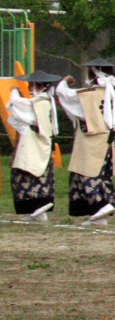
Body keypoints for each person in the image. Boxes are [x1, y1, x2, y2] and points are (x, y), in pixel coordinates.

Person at [54, 57, 115, 224]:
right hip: (106, 139)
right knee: (101, 174)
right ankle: (99, 213)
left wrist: (63, 82)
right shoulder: (113, 94)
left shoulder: (89, 95)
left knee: (88, 172)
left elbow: (65, 95)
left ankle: (100, 204)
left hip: (91, 139)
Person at [7, 71, 61, 220]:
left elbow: (17, 105)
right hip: (38, 144)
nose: (29, 87)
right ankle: (39, 210)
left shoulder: (39, 103)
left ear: (41, 86)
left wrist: (14, 92)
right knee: (38, 174)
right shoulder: (42, 102)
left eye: (32, 84)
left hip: (33, 144)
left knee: (25, 173)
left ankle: (40, 205)